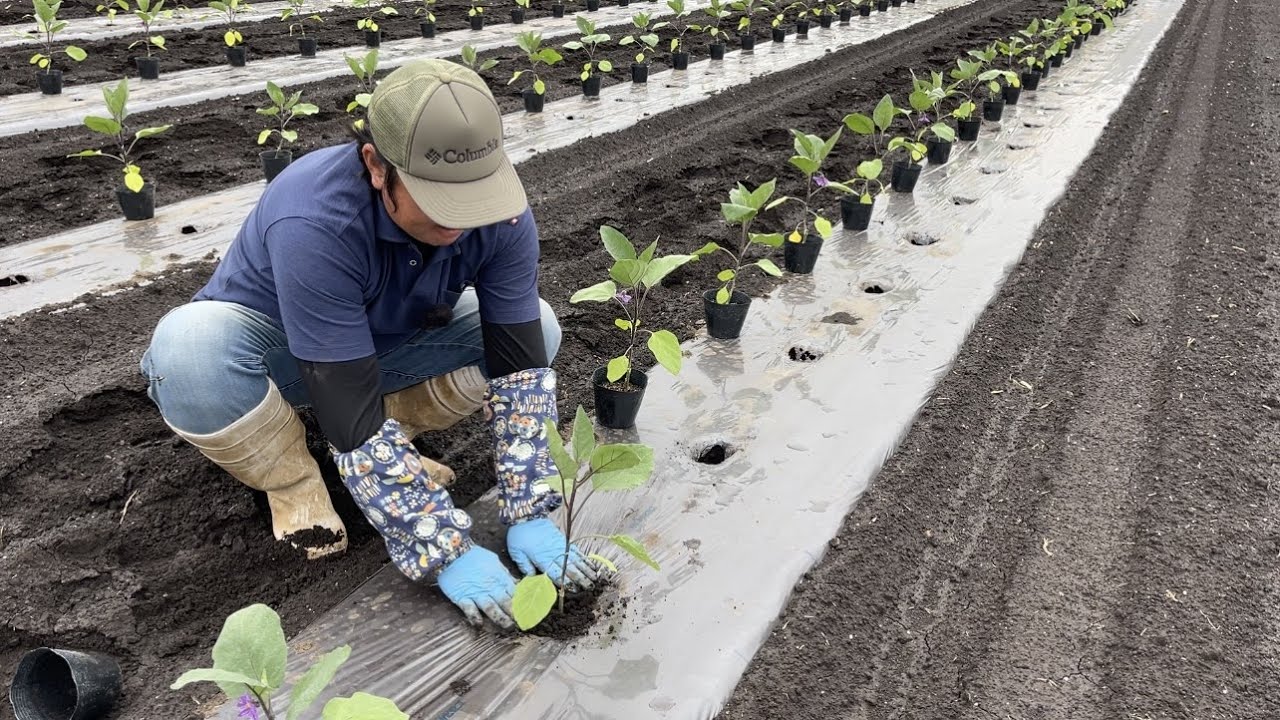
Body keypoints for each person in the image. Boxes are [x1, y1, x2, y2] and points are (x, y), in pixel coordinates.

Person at [139, 58, 596, 629]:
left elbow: (520, 367)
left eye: (472, 196)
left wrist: (530, 504)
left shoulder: (500, 213)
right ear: (376, 165)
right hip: (278, 348)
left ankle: (400, 437)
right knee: (188, 349)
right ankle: (294, 483)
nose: (459, 221)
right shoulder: (316, 218)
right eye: (437, 197)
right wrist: (441, 546)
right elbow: (347, 408)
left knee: (542, 326)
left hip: (388, 343)